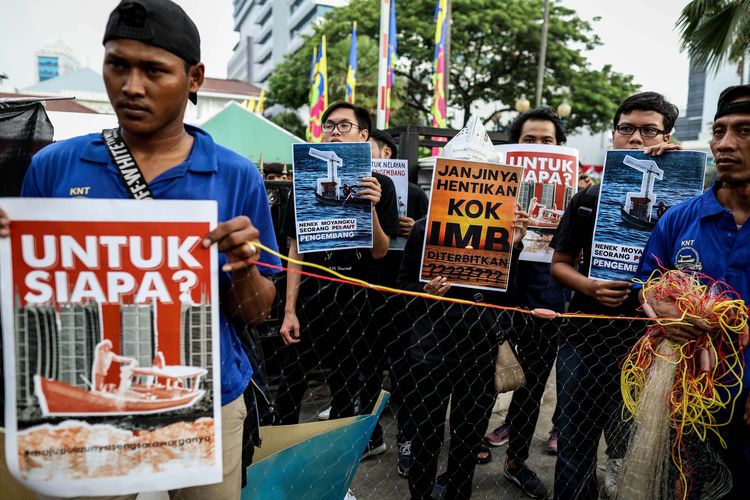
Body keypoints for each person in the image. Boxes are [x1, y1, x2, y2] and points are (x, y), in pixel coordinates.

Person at [0, 1, 281, 498]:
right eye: (117, 65)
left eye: (154, 70)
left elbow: (257, 313)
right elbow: (31, 298)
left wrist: (243, 271)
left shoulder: (236, 176)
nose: (131, 86)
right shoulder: (54, 167)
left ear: (194, 77)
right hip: (85, 401)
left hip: (208, 399)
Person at [549, 91, 681, 499]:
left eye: (649, 130)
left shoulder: (684, 201)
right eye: (627, 129)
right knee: (574, 442)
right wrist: (589, 286)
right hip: (584, 337)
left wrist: (683, 166)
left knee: (634, 443)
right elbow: (560, 263)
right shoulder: (588, 197)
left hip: (652, 343)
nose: (637, 139)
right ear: (614, 133)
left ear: (668, 135)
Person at [636, 84, 750, 498]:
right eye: (719, 131)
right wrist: (658, 307)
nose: (725, 144)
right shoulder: (680, 218)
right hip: (684, 395)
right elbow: (646, 282)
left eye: (744, 131)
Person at [276, 103, 400, 461]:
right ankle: (281, 462)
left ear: (364, 136)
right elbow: (294, 249)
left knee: (346, 390)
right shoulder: (303, 180)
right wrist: (288, 310)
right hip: (309, 297)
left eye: (343, 126)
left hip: (354, 303)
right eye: (328, 125)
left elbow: (380, 251)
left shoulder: (382, 185)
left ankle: (335, 471)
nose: (333, 131)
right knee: (289, 388)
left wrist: (372, 206)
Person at [399, 202, 529, 500]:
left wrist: (514, 248)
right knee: (426, 435)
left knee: (467, 439)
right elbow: (402, 286)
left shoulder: (499, 233)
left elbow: (507, 297)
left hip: (479, 350)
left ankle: (459, 493)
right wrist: (425, 293)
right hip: (430, 351)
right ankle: (419, 495)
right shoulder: (423, 228)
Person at [481, 107, 568, 498]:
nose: (538, 147)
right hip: (497, 295)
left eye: (546, 141)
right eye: (528, 140)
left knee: (530, 387)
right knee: (482, 380)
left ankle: (517, 460)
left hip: (546, 297)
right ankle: (468, 448)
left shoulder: (577, 195)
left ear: (559, 147)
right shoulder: (488, 185)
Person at [368, 128, 429, 477]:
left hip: (405, 297)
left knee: (406, 374)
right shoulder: (358, 189)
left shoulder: (417, 194)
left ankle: (408, 440)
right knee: (368, 373)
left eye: (367, 149)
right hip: (369, 291)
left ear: (386, 154)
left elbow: (433, 243)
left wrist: (416, 228)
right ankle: (371, 435)